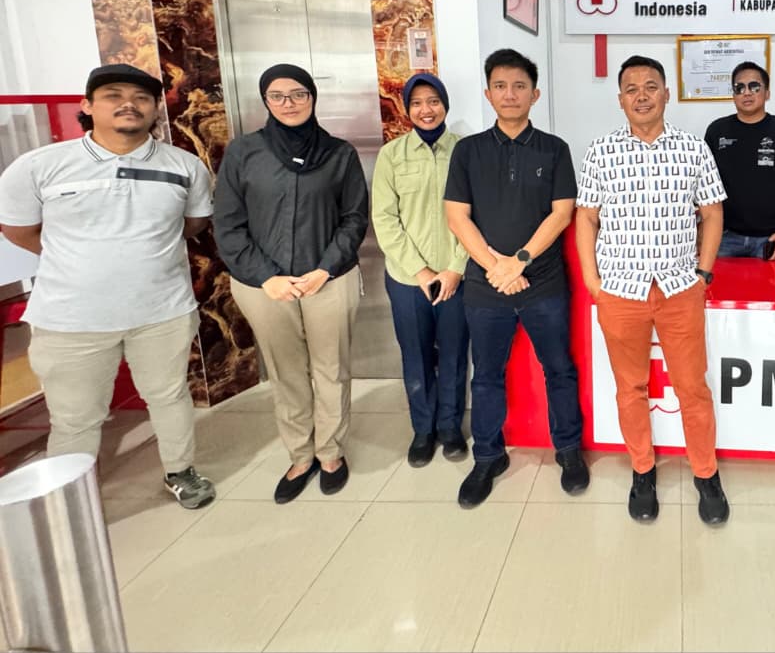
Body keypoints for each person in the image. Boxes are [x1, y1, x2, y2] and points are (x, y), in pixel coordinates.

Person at [0, 64, 216, 508]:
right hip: (70, 319)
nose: (128, 104)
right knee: (76, 416)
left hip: (162, 312)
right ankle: (72, 496)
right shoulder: (41, 166)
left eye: (141, 97)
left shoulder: (184, 166)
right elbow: (19, 230)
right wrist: (80, 260)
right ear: (87, 105)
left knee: (170, 396)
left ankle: (181, 472)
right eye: (113, 95)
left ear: (155, 108)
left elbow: (193, 223)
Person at [576, 55, 730, 525]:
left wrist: (703, 273)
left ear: (666, 94)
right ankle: (642, 471)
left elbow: (712, 212)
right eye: (631, 89)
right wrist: (593, 282)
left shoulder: (693, 148)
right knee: (630, 389)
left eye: (650, 86)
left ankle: (706, 474)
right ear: (620, 99)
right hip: (620, 291)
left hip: (681, 288)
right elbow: (587, 218)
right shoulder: (600, 151)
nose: (641, 96)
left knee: (692, 388)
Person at [213, 64, 369, 504]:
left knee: (332, 368)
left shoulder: (339, 154)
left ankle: (330, 452)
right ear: (265, 101)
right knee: (286, 372)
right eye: (278, 96)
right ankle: (301, 455)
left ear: (313, 97)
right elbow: (228, 224)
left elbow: (354, 217)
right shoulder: (243, 153)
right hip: (265, 286)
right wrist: (267, 277)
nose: (289, 103)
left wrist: (325, 268)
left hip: (329, 279)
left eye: (299, 94)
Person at [443, 49, 588, 508]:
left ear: (535, 95)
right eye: (501, 86)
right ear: (488, 94)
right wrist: (497, 268)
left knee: (559, 369)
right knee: (486, 375)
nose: (510, 94)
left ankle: (569, 449)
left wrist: (519, 262)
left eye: (520, 86)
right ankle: (488, 456)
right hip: (486, 288)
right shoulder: (468, 151)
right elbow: (457, 217)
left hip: (543, 284)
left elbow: (562, 213)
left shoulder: (555, 149)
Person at [371, 72, 469, 467]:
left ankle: (450, 427)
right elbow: (384, 219)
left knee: (455, 354)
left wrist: (455, 268)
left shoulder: (465, 151)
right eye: (417, 103)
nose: (426, 110)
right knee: (416, 354)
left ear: (445, 105)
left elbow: (476, 216)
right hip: (407, 279)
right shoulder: (391, 155)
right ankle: (423, 430)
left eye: (433, 101)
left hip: (456, 276)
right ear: (407, 109)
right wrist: (420, 271)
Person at [704, 61, 775, 260]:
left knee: (772, 283)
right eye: (739, 88)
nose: (747, 93)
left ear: (767, 93)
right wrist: (703, 228)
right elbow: (704, 185)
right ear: (733, 94)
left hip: (771, 238)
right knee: (721, 282)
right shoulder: (717, 131)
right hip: (724, 236)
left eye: (754, 87)